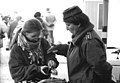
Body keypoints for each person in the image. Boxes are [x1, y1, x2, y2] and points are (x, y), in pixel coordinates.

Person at [47, 6, 113, 83]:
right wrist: (63, 49)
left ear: (78, 23)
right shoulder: (81, 38)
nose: (67, 28)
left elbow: (100, 67)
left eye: (68, 25)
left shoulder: (90, 42)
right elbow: (81, 55)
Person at [8, 18, 59, 83]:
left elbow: (50, 54)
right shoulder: (17, 48)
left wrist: (51, 61)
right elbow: (16, 72)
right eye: (33, 36)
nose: (37, 38)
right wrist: (38, 69)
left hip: (44, 80)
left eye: (39, 35)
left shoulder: (43, 43)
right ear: (25, 33)